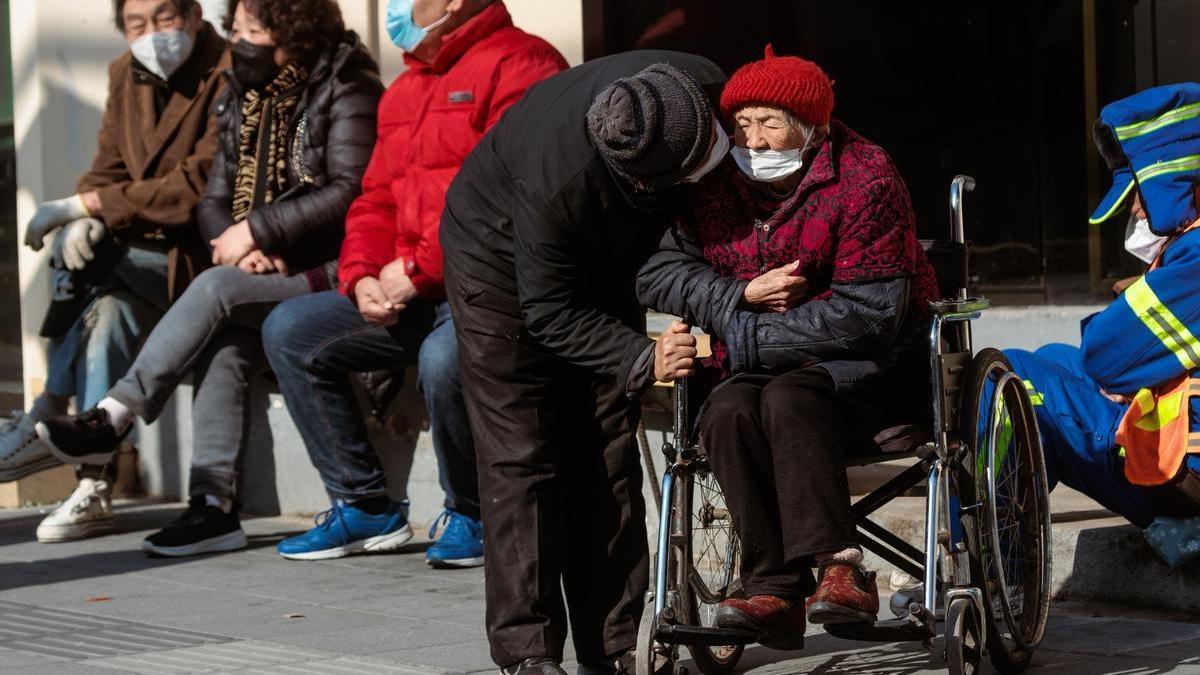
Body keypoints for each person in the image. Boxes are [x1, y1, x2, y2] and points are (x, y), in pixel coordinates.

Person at [34, 0, 383, 557]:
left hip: (335, 269)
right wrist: (238, 240)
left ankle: (113, 416)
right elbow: (214, 198)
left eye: (254, 30)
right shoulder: (243, 95)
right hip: (263, 269)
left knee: (215, 289)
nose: (241, 42)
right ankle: (213, 507)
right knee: (224, 346)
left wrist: (261, 233)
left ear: (293, 33)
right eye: (237, 30)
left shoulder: (348, 87)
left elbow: (349, 191)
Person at [636, 47, 939, 649]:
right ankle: (774, 585)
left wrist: (745, 335)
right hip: (755, 366)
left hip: (869, 371)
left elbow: (871, 312)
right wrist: (737, 295)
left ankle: (840, 565)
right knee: (723, 411)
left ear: (813, 126)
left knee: (789, 398)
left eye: (770, 122)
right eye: (742, 123)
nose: (754, 138)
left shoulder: (866, 176)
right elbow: (658, 272)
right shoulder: (716, 183)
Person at [439, 51, 727, 675]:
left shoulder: (703, 82)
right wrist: (640, 355)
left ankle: (614, 646)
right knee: (524, 455)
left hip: (601, 256)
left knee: (607, 446)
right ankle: (529, 653)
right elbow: (548, 312)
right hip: (498, 265)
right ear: (633, 179)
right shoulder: (556, 182)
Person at [259, 0, 566, 566]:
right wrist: (361, 277)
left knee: (443, 360)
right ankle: (364, 505)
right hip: (410, 286)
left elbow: (514, 200)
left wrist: (420, 270)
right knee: (291, 329)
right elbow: (374, 198)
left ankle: (474, 511)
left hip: (492, 289)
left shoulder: (523, 63)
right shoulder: (405, 88)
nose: (395, 6)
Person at [0, 0, 227, 543]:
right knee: (106, 313)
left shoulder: (228, 73)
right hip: (138, 260)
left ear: (194, 15)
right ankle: (94, 486)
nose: (152, 35)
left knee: (92, 258)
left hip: (201, 257)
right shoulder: (125, 73)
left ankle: (47, 409)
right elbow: (107, 166)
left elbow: (195, 186)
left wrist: (90, 209)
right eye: (137, 25)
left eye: (164, 19)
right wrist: (87, 208)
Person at [1004, 83, 1200, 543]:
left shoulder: (1195, 254)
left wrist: (1133, 321)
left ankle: (991, 567)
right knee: (1054, 354)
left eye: (1140, 192)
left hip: (1184, 479)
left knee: (1011, 377)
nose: (1133, 208)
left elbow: (1104, 355)